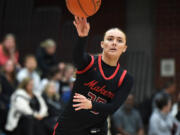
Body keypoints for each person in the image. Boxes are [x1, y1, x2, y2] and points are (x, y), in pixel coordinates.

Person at [53, 17, 133, 135]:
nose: (114, 43)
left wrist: (91, 104)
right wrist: (82, 37)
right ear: (102, 44)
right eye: (110, 39)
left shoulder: (126, 78)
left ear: (124, 48)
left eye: (119, 40)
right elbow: (77, 58)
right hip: (69, 126)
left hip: (95, 130)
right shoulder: (89, 62)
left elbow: (113, 107)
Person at [0, 60, 17, 132]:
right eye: (8, 65)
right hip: (3, 100)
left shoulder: (16, 79)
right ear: (4, 67)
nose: (9, 67)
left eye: (11, 65)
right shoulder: (1, 77)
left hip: (13, 100)